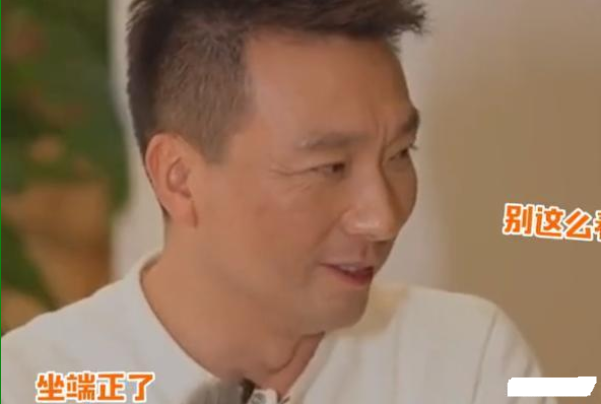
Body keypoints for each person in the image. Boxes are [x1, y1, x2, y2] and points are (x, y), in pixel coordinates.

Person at [1, 1, 556, 403]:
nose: (383, 217)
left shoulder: (469, 361)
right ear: (180, 179)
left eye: (398, 153)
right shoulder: (30, 383)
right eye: (330, 167)